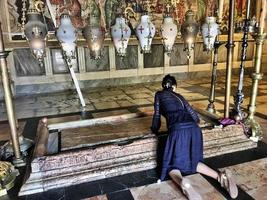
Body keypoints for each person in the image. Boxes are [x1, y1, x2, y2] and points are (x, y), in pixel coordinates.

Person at [151, 74, 238, 199]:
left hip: (177, 130)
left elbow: (157, 116)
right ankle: (221, 177)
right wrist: (193, 123)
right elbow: (194, 116)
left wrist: (154, 130)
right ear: (174, 87)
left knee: (170, 165)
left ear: (163, 86)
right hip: (194, 130)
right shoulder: (180, 96)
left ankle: (183, 183)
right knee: (194, 162)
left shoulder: (159, 95)